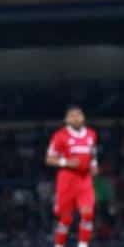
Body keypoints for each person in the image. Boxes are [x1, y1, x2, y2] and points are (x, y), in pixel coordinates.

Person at [46, 105, 98, 247]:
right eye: (72, 116)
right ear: (66, 119)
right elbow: (49, 159)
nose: (76, 118)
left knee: (88, 214)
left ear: (83, 117)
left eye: (79, 115)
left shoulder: (91, 134)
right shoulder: (60, 135)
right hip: (67, 180)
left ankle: (83, 245)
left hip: (84, 180)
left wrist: (94, 164)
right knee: (65, 219)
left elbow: (92, 152)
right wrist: (66, 162)